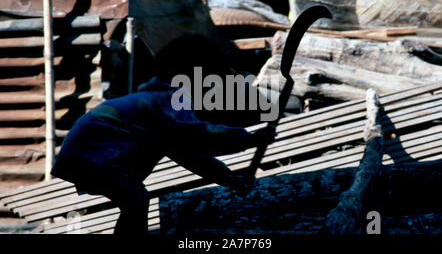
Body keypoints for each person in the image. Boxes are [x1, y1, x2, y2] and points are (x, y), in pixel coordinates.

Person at [51, 35, 276, 234]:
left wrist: (228, 179)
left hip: (91, 153)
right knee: (135, 199)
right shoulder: (166, 102)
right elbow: (202, 136)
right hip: (92, 153)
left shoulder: (161, 105)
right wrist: (250, 139)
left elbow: (189, 156)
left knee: (134, 200)